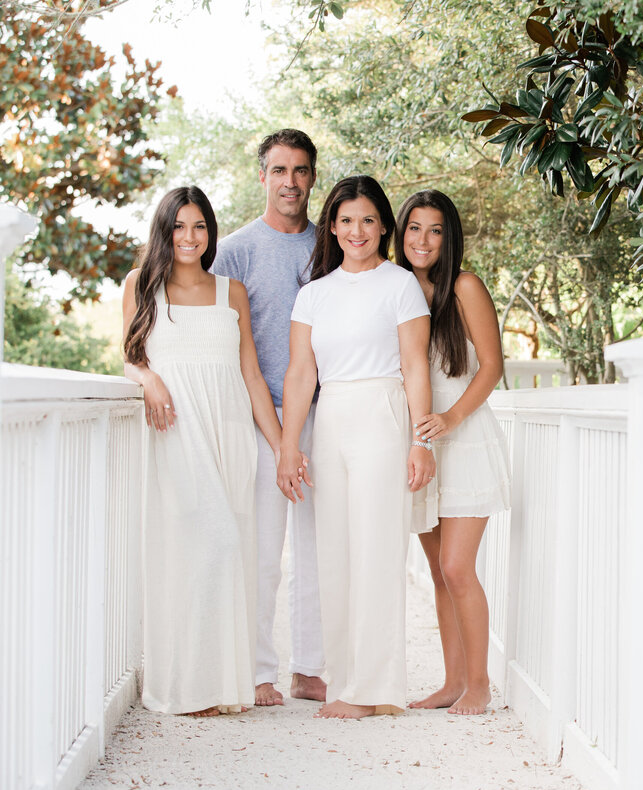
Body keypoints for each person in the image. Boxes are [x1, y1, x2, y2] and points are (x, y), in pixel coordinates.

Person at [277, 175, 439, 719]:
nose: (357, 230)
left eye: (368, 219)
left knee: (374, 551)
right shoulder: (314, 293)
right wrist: (287, 445)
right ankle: (343, 682)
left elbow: (416, 366)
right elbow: (301, 375)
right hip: (331, 422)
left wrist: (420, 441)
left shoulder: (399, 285)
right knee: (334, 555)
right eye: (346, 220)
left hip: (383, 415)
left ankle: (373, 690)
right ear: (332, 226)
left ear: (384, 226)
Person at [122, 186, 281, 716]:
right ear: (163, 231)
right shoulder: (141, 286)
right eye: (179, 227)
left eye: (199, 227)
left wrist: (282, 448)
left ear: (210, 233)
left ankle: (216, 686)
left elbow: (252, 375)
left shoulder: (230, 291)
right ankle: (184, 687)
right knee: (203, 549)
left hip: (230, 431)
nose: (189, 238)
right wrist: (149, 379)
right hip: (176, 433)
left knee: (228, 554)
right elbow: (128, 358)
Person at [211, 129, 327, 706]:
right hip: (260, 414)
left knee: (317, 547)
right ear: (262, 176)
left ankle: (311, 669)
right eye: (279, 170)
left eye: (300, 171)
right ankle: (258, 669)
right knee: (262, 547)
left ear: (312, 177)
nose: (290, 182)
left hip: (323, 412)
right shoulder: (232, 250)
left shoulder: (329, 247)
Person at [397, 190, 511, 716]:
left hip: (461, 436)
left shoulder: (464, 286)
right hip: (418, 440)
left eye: (435, 230)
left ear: (450, 236)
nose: (423, 240)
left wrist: (451, 418)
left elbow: (491, 365)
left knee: (457, 567)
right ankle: (451, 682)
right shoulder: (395, 289)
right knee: (438, 570)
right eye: (414, 228)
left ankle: (480, 684)